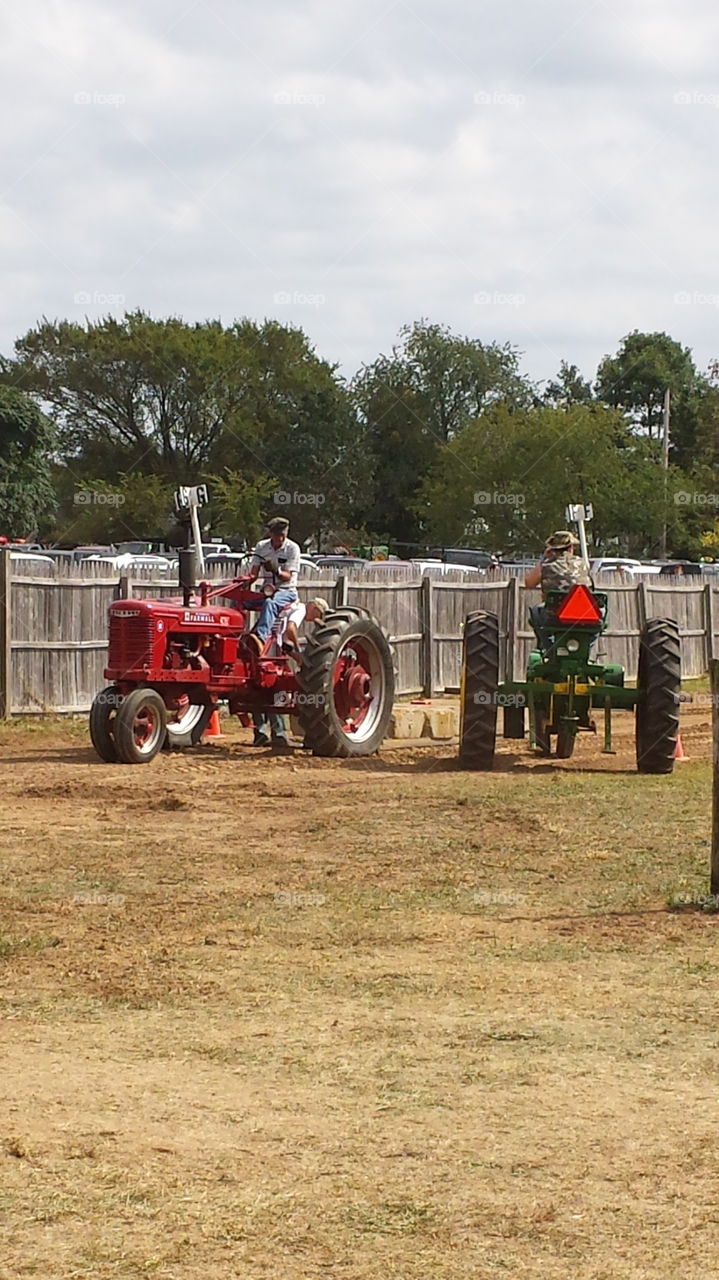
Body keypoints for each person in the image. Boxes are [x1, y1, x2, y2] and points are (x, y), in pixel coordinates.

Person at [250, 596, 330, 749]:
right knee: (277, 691)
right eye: (317, 616)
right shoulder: (299, 608)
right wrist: (300, 652)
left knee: (258, 692)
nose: (312, 620)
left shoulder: (287, 609)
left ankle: (260, 734)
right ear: (314, 608)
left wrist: (296, 657)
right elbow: (290, 629)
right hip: (270, 649)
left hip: (262, 645)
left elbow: (285, 644)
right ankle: (279, 734)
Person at [525, 530, 593, 650]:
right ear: (570, 547)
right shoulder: (582, 563)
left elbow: (529, 583)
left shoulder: (546, 564)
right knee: (602, 618)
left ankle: (549, 648)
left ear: (552, 549)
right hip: (584, 616)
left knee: (535, 612)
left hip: (554, 617)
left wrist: (543, 558)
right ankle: (585, 648)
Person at [247, 516, 301, 641]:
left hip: (286, 592)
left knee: (270, 603)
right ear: (271, 533)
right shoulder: (261, 546)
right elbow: (253, 574)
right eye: (277, 535)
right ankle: (235, 636)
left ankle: (261, 637)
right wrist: (242, 584)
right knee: (239, 601)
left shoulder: (293, 548)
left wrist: (276, 570)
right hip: (267, 591)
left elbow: (288, 577)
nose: (280, 538)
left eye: (283, 535)